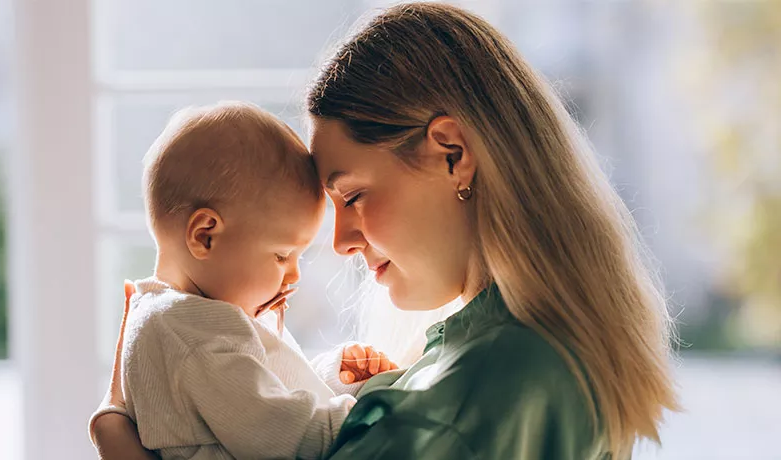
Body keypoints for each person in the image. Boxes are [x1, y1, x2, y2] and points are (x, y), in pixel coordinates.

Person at [90, 3, 679, 459]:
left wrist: (116, 436)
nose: (341, 241)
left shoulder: (466, 401)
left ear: (451, 153)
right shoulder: (522, 355)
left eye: (353, 196)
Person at [89, 102, 397, 459]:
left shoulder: (172, 316)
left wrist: (331, 378)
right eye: (282, 255)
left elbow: (254, 401)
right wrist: (374, 413)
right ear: (205, 236)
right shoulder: (194, 333)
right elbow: (286, 434)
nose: (294, 274)